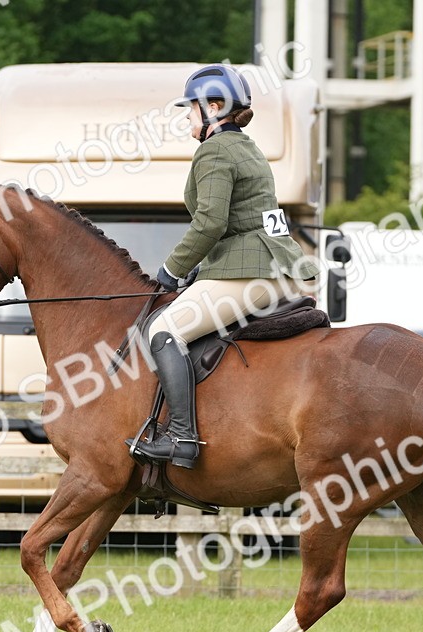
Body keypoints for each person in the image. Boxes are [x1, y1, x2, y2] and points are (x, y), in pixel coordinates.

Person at [126, 64, 320, 469]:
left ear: (214, 107)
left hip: (251, 274)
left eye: (191, 108)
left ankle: (181, 437)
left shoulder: (214, 150)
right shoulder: (248, 148)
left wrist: (172, 269)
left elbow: (210, 222)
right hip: (272, 268)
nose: (187, 117)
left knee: (163, 329)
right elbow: (240, 221)